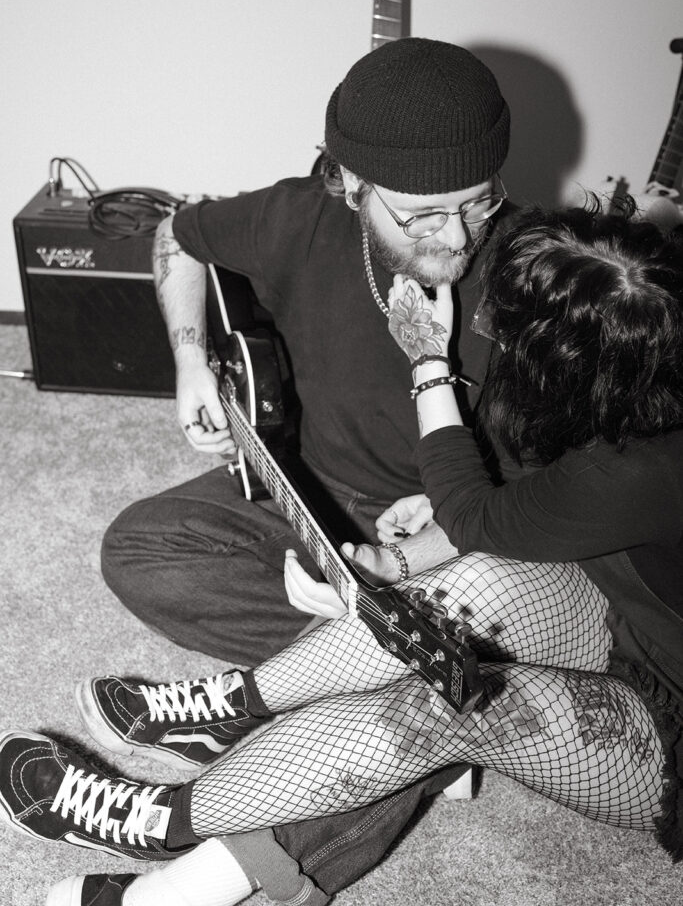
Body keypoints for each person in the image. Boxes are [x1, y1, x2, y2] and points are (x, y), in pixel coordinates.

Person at [2, 201, 682, 906]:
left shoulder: (634, 470)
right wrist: (403, 561)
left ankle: (163, 829)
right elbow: (508, 517)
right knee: (460, 599)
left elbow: (480, 512)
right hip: (613, 614)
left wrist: (428, 364)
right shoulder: (638, 409)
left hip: (667, 730)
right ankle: (238, 704)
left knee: (452, 699)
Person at [100, 36, 512, 668]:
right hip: (301, 483)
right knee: (137, 550)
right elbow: (176, 236)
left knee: (530, 592)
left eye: (478, 202)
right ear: (351, 182)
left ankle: (358, 675)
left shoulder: (537, 274)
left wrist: (414, 550)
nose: (456, 237)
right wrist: (190, 364)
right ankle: (384, 668)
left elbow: (548, 493)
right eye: (421, 215)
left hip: (448, 529)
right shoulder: (297, 217)